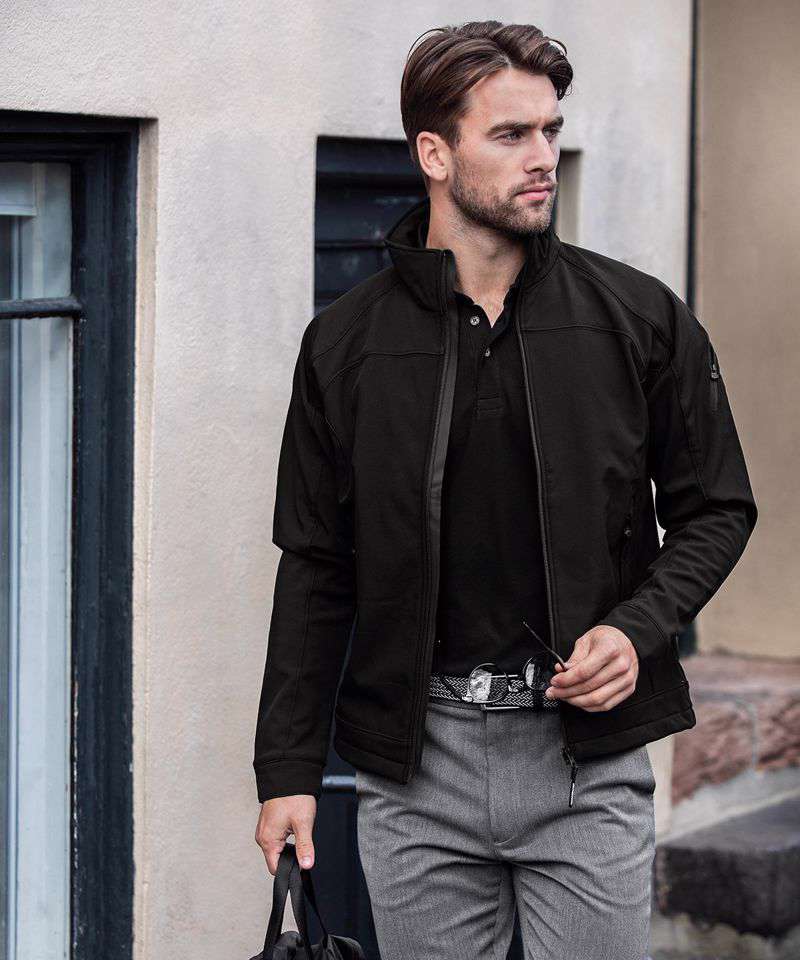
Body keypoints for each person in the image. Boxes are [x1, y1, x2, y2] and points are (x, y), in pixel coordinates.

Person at [254, 19, 757, 960]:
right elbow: (315, 565)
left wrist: (636, 630)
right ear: (434, 154)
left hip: (585, 763)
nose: (543, 158)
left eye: (550, 131)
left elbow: (718, 507)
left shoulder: (639, 317)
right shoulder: (346, 345)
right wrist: (286, 769)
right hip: (417, 773)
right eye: (512, 134)